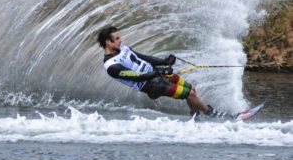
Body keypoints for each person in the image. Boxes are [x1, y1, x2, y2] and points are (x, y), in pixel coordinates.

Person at [97, 26, 230, 119]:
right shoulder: (111, 65)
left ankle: (196, 118)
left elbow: (144, 58)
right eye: (117, 38)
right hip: (151, 85)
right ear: (108, 42)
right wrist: (157, 73)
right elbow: (136, 77)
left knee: (191, 89)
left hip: (156, 75)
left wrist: (165, 62)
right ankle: (212, 114)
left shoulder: (123, 48)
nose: (121, 40)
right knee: (188, 94)